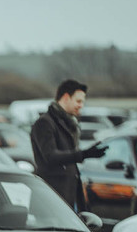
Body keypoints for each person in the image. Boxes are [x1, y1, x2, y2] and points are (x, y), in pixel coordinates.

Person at [29, 78, 106, 211]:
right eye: (78, 101)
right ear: (65, 97)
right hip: (52, 196)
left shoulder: (69, 123)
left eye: (82, 102)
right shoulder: (45, 123)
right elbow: (51, 156)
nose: (81, 105)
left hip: (68, 194)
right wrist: (84, 154)